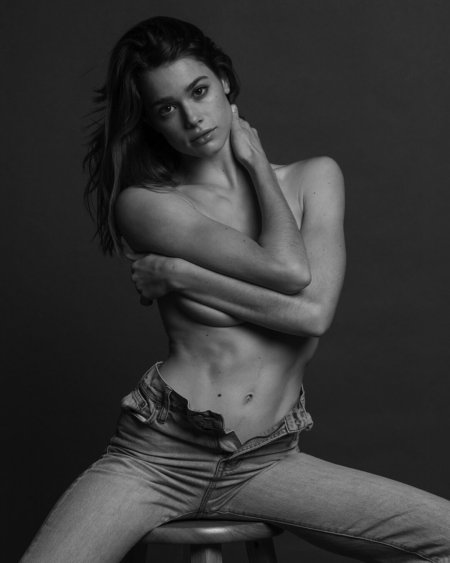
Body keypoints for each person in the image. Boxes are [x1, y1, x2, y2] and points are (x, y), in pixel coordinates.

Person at [21, 15, 450, 563]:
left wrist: (189, 267)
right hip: (160, 456)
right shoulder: (149, 205)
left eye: (199, 91)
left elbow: (311, 309)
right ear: (151, 121)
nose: (192, 118)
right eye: (166, 108)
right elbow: (288, 275)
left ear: (224, 80)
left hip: (267, 462)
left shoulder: (315, 178)